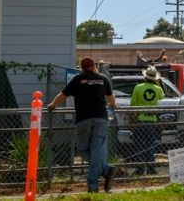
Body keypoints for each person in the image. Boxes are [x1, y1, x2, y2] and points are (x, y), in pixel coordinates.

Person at [46, 56, 117, 193]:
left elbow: (63, 95)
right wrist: (113, 105)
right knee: (97, 149)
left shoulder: (77, 79)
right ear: (94, 66)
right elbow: (111, 98)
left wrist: (53, 105)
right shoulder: (103, 79)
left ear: (81, 68)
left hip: (83, 119)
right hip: (101, 118)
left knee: (83, 150)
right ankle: (105, 169)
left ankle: (93, 185)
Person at [130, 65, 165, 174]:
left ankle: (140, 169)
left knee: (139, 145)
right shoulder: (158, 89)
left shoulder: (138, 87)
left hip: (140, 120)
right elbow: (162, 101)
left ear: (145, 77)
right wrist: (158, 84)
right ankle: (151, 168)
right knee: (150, 145)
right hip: (152, 120)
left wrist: (133, 117)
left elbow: (133, 104)